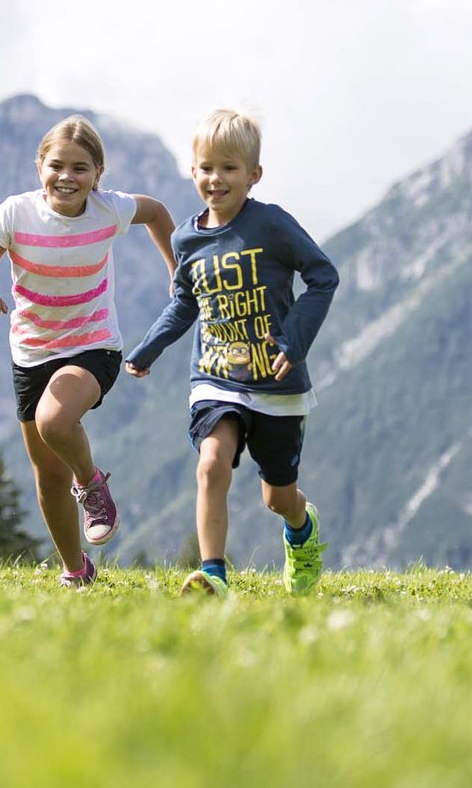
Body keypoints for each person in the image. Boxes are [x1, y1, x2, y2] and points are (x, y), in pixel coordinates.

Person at [125, 109, 339, 598]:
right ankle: (213, 575)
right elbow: (185, 303)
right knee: (211, 462)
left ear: (253, 175)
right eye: (205, 167)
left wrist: (294, 339)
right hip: (216, 377)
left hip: (278, 384)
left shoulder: (272, 224)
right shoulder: (186, 239)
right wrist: (148, 349)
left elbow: (323, 275)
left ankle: (301, 530)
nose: (215, 178)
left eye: (228, 168)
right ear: (192, 170)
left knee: (277, 498)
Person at [0, 115, 176, 588]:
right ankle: (76, 572)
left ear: (98, 173)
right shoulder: (15, 213)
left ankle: (92, 483)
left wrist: (177, 269)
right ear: (39, 166)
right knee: (46, 475)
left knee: (54, 421)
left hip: (93, 347)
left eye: (80, 168)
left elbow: (156, 211)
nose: (67, 177)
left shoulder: (109, 210)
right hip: (31, 353)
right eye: (57, 165)